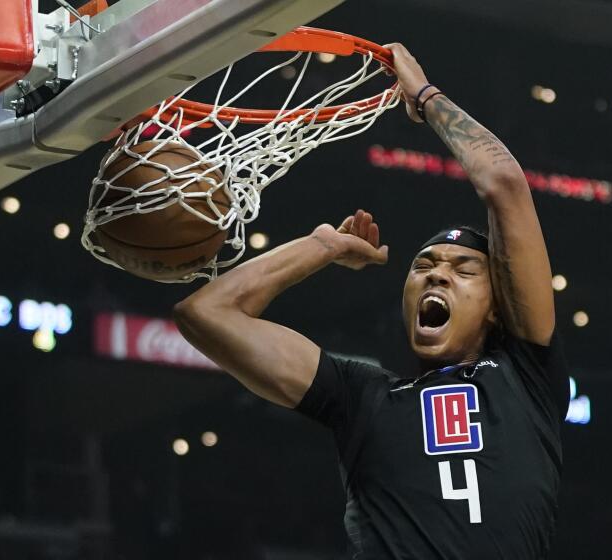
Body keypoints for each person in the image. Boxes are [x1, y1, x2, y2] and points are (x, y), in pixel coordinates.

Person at [174, 42, 569, 559]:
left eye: (463, 269)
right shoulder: (363, 396)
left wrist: (426, 97)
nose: (438, 277)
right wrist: (323, 246)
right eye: (423, 267)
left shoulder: (526, 373)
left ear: (497, 306)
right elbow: (205, 314)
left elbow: (505, 185)